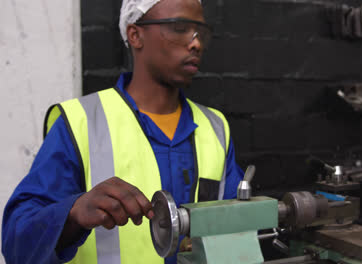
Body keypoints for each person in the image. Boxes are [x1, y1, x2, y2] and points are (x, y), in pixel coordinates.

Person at [2, 0, 244, 263]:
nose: (196, 43)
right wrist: (73, 213)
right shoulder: (81, 122)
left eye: (200, 32)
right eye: (179, 28)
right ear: (135, 35)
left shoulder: (215, 128)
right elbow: (17, 240)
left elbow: (238, 232)